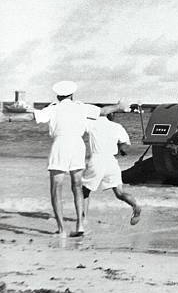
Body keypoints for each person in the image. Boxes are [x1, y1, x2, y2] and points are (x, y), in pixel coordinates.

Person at [33, 81, 128, 237]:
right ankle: (80, 225)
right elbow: (103, 111)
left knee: (56, 188)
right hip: (77, 145)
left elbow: (32, 115)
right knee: (77, 186)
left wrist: (9, 116)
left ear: (58, 95)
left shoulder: (53, 108)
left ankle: (62, 229)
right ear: (72, 94)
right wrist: (119, 106)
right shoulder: (81, 107)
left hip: (60, 144)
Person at [82, 113, 141, 226]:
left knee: (84, 191)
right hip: (111, 161)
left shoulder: (92, 123)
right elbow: (125, 144)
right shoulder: (117, 126)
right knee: (119, 193)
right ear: (111, 115)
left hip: (97, 159)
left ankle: (83, 220)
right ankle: (135, 205)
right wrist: (120, 150)